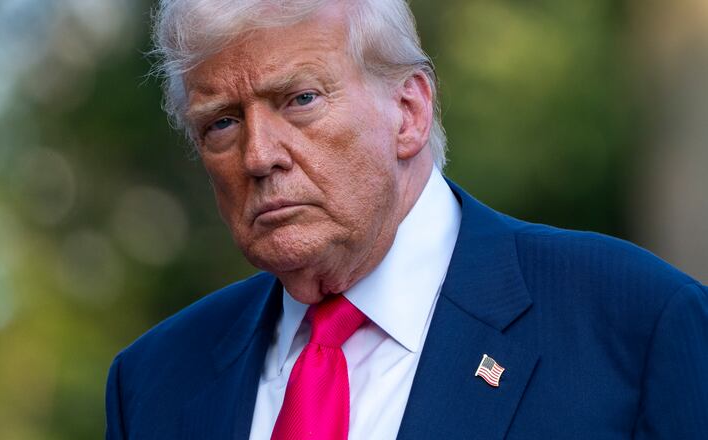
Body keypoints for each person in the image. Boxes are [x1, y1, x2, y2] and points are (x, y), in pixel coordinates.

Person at [105, 0, 708, 438]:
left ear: (409, 111)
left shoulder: (633, 324)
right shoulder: (154, 383)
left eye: (300, 100)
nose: (258, 155)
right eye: (222, 123)